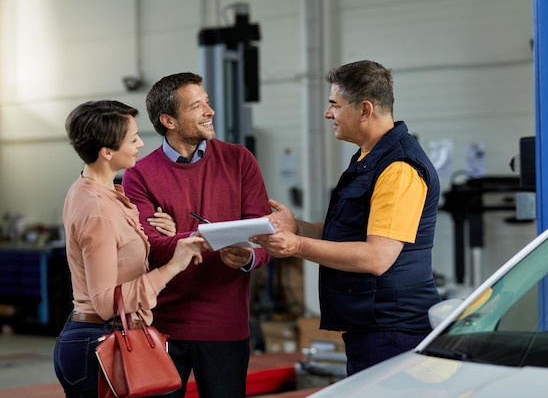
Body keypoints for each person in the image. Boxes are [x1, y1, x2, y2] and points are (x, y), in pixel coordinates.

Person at [251, 60, 441, 376]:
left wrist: (297, 246)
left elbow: (378, 257)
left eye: (334, 105)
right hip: (371, 328)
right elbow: (350, 231)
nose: (328, 114)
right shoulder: (370, 158)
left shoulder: (399, 169)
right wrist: (297, 227)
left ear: (364, 110)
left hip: (393, 331)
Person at [121, 72, 272, 398]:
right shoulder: (138, 174)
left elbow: (263, 236)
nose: (210, 111)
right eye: (197, 106)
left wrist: (247, 255)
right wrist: (201, 237)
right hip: (160, 328)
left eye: (207, 102)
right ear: (169, 120)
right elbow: (151, 249)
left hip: (225, 326)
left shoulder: (239, 160)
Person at [53, 100, 206, 398]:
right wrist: (174, 265)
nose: (140, 143)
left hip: (100, 337)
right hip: (99, 342)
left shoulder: (97, 191)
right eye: (132, 138)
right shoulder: (97, 207)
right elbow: (106, 303)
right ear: (106, 152)